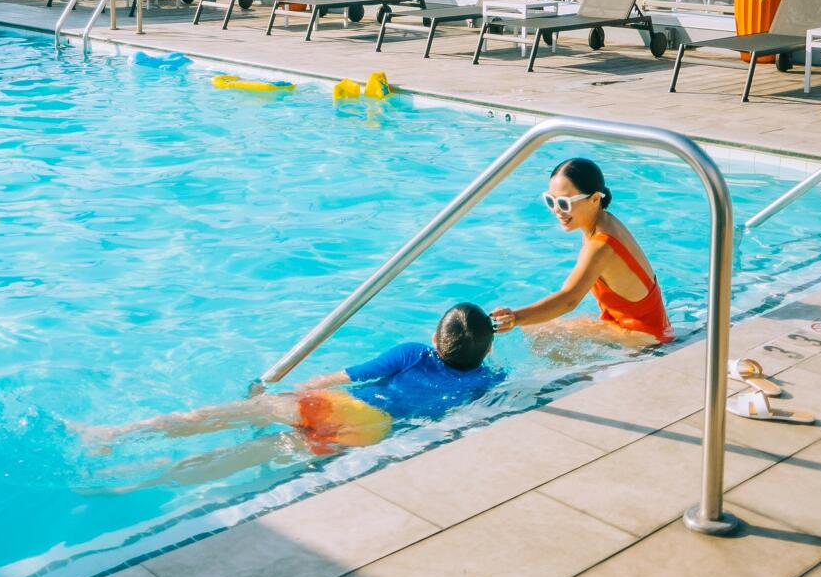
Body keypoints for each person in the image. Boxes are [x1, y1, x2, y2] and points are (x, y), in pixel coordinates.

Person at [85, 303, 500, 487]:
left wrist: (279, 392)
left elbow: (344, 377)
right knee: (255, 453)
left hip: (352, 405)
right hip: (372, 431)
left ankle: (119, 433)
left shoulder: (414, 352)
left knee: (237, 414)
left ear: (435, 337)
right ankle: (136, 484)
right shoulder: (486, 380)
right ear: (486, 350)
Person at [491, 158, 674, 345]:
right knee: (539, 326)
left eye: (564, 203)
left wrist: (514, 318)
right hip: (641, 327)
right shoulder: (603, 221)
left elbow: (569, 300)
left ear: (595, 199)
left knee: (539, 334)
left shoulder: (601, 245)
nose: (556, 210)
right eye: (550, 201)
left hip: (646, 339)